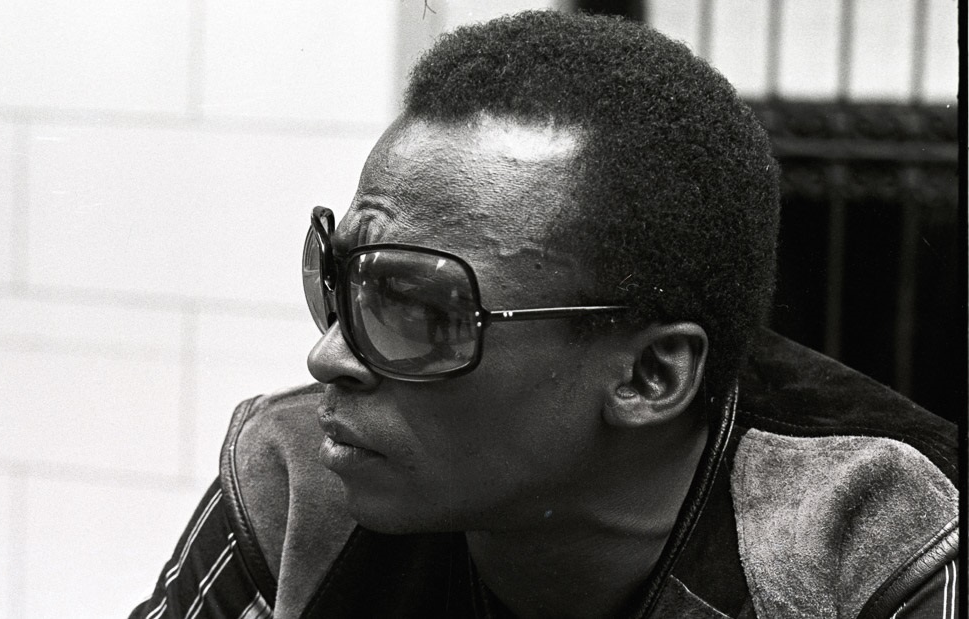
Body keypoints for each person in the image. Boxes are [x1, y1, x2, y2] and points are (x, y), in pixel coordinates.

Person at [131, 11, 958, 619]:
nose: (329, 357)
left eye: (417, 305)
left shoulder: (879, 540)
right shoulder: (299, 475)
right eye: (338, 277)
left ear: (649, 375)